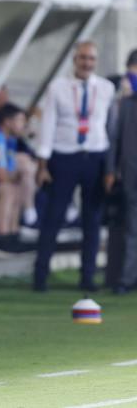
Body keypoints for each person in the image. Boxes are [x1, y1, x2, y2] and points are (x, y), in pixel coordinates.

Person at [34, 41, 115, 292]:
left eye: (91, 58)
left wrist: (111, 167)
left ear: (96, 61)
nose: (87, 63)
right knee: (54, 217)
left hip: (96, 157)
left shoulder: (106, 88)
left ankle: (87, 277)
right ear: (74, 59)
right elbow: (47, 124)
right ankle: (40, 276)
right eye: (83, 58)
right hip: (63, 156)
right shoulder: (57, 87)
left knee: (93, 220)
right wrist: (42, 163)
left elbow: (110, 127)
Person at [106, 61, 137, 294]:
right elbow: (114, 140)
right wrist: (110, 170)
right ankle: (126, 279)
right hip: (131, 176)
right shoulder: (126, 105)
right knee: (132, 230)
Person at [0, 104, 37, 252]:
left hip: (0, 181)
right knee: (8, 190)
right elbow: (1, 175)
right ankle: (3, 240)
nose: (24, 125)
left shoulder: (11, 140)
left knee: (16, 188)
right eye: (21, 120)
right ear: (7, 121)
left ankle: (14, 236)